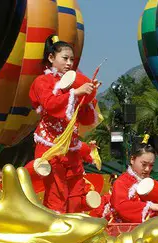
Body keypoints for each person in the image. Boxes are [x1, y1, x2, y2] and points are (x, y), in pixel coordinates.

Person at [29, 34, 100, 213]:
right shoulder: (42, 82)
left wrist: (89, 97)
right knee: (56, 194)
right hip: (51, 146)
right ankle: (57, 236)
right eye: (65, 58)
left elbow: (86, 119)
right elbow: (50, 105)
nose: (69, 63)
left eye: (72, 59)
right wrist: (75, 93)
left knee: (76, 192)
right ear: (51, 58)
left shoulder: (75, 82)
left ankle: (75, 231)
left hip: (71, 147)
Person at [109, 135, 158, 223]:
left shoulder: (151, 183)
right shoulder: (121, 182)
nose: (147, 169)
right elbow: (121, 206)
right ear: (132, 159)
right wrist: (149, 206)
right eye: (144, 164)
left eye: (151, 165)